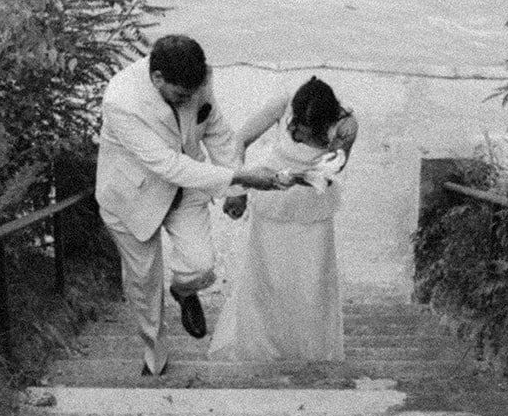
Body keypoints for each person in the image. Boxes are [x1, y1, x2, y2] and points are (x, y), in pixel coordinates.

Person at [95, 34, 284, 377]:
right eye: (182, 95)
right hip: (132, 196)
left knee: (201, 267)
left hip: (186, 186)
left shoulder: (198, 80)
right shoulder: (120, 102)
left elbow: (218, 132)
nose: (190, 100)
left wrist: (237, 188)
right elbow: (167, 164)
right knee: (143, 283)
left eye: (194, 93)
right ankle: (155, 357)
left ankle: (183, 292)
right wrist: (240, 177)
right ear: (157, 79)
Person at [209, 76, 358, 363]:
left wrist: (300, 177)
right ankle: (262, 351)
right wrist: (237, 189)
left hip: (314, 209)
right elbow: (238, 141)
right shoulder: (281, 103)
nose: (301, 134)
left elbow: (332, 171)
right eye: (298, 127)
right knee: (268, 280)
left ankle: (311, 355)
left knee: (312, 283)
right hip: (273, 204)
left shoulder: (347, 125)